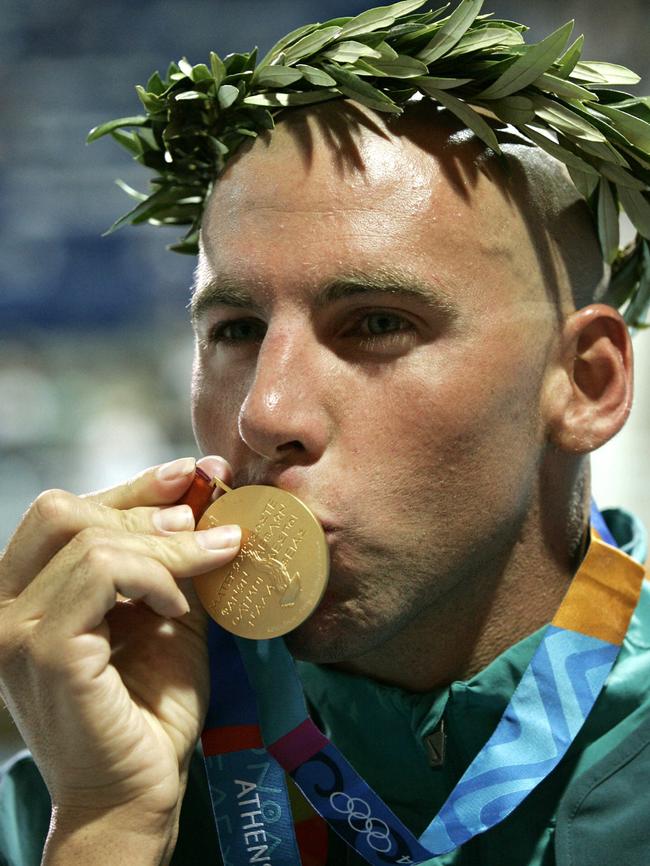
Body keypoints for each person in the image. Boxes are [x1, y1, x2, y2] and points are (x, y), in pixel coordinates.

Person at [1, 19, 649, 866]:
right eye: (236, 329)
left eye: (378, 324)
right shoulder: (77, 780)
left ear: (585, 384)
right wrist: (108, 824)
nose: (264, 414)